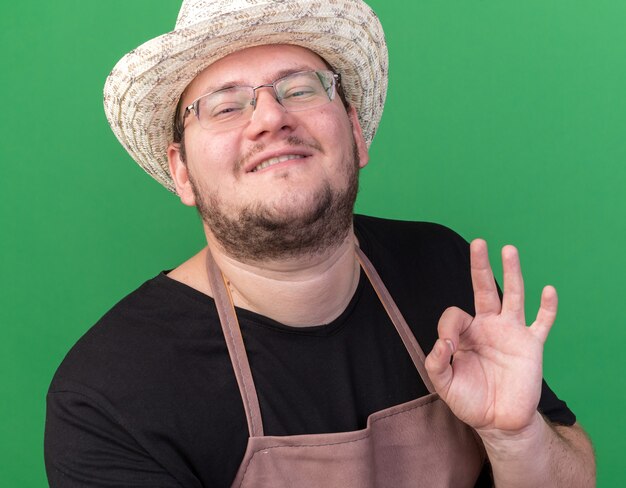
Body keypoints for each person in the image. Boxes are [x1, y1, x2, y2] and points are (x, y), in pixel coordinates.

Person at [44, 0, 596, 486]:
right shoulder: (110, 395)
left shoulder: (442, 269)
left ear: (354, 133)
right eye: (224, 104)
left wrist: (515, 437)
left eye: (301, 89)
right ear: (181, 172)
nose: (270, 117)